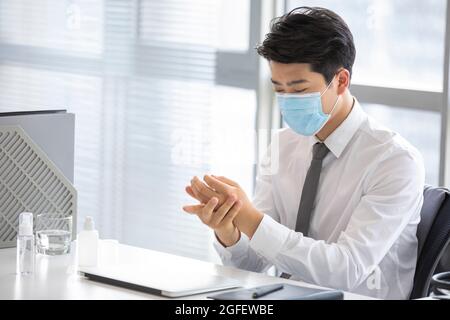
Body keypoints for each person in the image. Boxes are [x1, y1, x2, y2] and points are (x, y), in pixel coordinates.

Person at [182, 6, 425, 299]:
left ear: (341, 80)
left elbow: (347, 270)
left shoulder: (395, 161)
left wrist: (252, 219)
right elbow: (253, 264)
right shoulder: (283, 145)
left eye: (298, 91)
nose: (287, 101)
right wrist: (229, 230)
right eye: (279, 89)